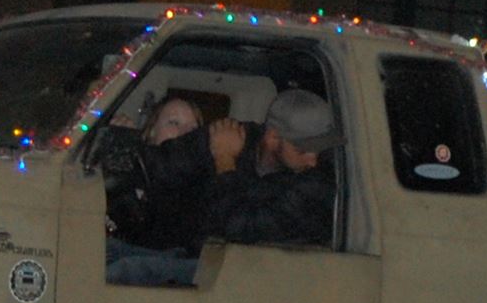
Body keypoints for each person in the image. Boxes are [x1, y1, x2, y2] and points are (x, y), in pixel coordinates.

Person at [199, 89, 339, 248]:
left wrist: (224, 159)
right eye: (302, 151)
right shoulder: (240, 139)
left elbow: (238, 229)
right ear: (272, 138)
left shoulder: (316, 185)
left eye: (319, 149)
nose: (313, 161)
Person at [100, 97, 216, 286]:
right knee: (99, 249)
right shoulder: (142, 166)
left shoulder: (202, 175)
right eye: (174, 123)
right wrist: (121, 145)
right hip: (149, 250)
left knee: (124, 269)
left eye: (193, 128)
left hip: (183, 256)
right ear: (151, 131)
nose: (184, 132)